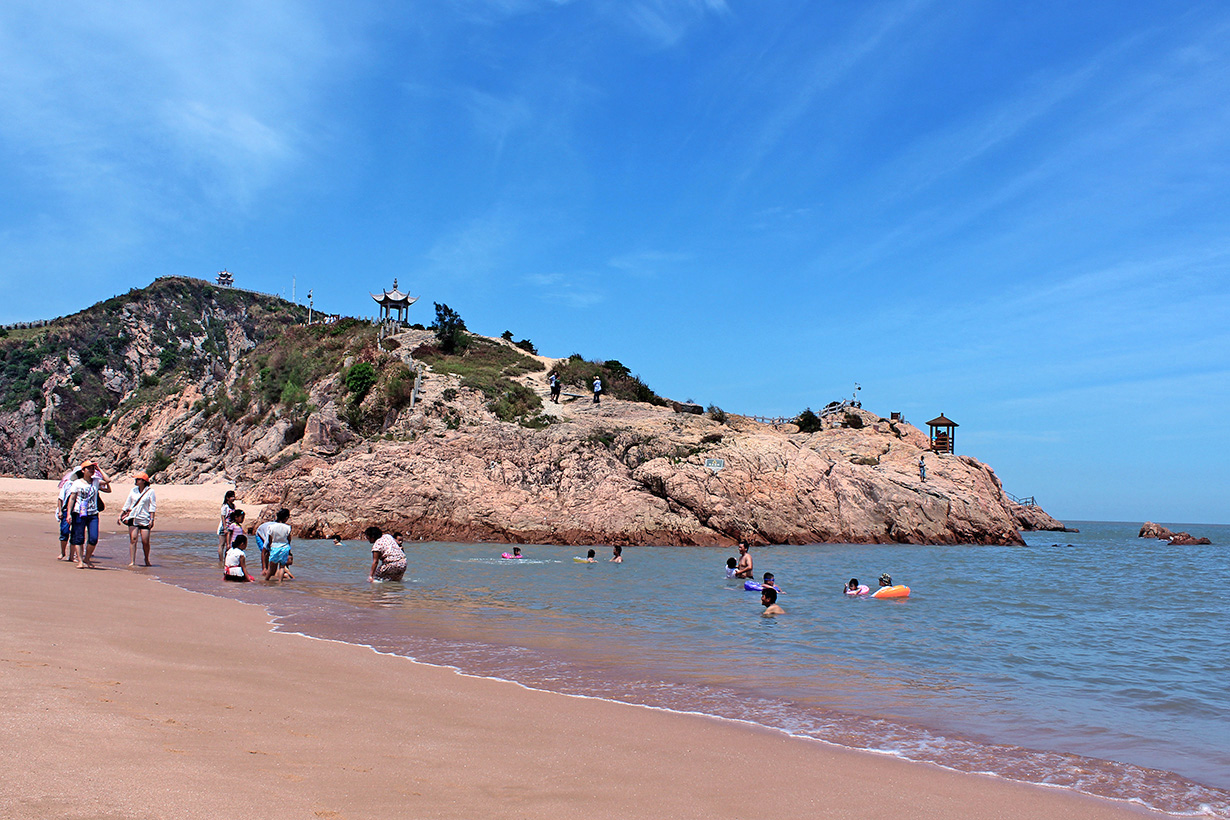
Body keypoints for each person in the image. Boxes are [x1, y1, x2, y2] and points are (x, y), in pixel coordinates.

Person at [66, 460, 111, 568]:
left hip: (93, 514)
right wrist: (68, 514)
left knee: (93, 538)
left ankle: (87, 558)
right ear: (83, 470)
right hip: (79, 513)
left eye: (92, 468)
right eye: (89, 468)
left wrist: (99, 468)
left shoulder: (96, 481)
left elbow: (108, 480)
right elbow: (72, 498)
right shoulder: (77, 483)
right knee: (79, 537)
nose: (91, 470)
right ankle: (80, 560)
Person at [117, 472, 156, 567]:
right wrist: (121, 514)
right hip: (133, 517)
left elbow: (152, 505)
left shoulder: (150, 491)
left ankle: (146, 559)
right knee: (133, 539)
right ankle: (132, 561)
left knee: (145, 540)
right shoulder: (133, 490)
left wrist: (152, 519)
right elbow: (128, 503)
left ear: (144, 481)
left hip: (145, 518)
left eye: (138, 479)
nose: (136, 481)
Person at [255, 509, 291, 574]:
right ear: (286, 518)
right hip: (260, 533)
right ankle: (265, 569)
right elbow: (264, 551)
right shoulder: (272, 531)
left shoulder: (283, 529)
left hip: (268, 533)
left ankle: (273, 570)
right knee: (267, 552)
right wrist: (264, 568)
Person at [56, 468, 79, 560]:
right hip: (66, 511)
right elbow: (60, 498)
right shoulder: (68, 484)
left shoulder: (85, 485)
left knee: (75, 533)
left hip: (77, 511)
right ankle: (63, 553)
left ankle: (72, 556)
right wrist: (60, 510)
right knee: (64, 532)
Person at [263, 509, 293, 581]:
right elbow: (289, 539)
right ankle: (280, 581)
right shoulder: (287, 527)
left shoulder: (271, 527)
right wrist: (289, 550)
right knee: (282, 567)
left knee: (271, 567)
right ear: (286, 518)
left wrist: (270, 547)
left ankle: (266, 580)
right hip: (284, 547)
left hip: (274, 547)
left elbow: (270, 539)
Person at [218, 490, 237, 561]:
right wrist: (225, 527)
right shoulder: (225, 506)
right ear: (227, 498)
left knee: (228, 545)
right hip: (224, 527)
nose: (233, 498)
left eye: (234, 496)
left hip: (231, 527)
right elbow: (222, 517)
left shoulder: (233, 506)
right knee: (222, 544)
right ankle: (221, 560)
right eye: (231, 497)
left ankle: (226, 560)